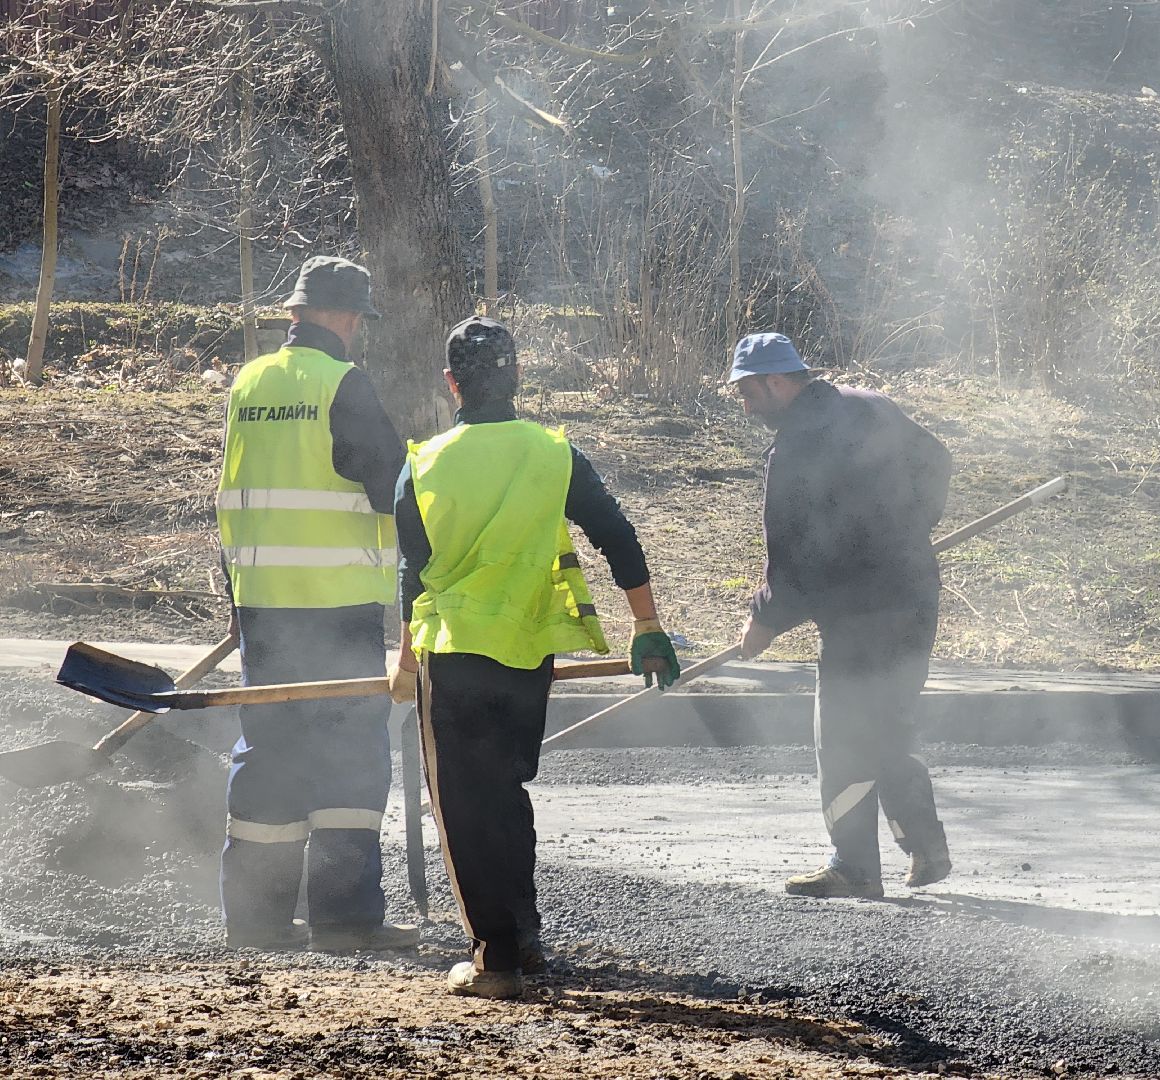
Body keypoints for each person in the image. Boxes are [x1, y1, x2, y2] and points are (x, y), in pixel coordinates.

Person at [390, 316, 681, 999]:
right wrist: (648, 625)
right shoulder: (555, 454)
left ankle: (493, 959)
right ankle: (524, 938)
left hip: (455, 653)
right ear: (517, 377)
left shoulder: (424, 462)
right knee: (506, 790)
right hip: (527, 653)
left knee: (463, 805)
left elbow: (412, 573)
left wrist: (406, 663)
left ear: (451, 384)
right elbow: (617, 534)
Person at [216, 255, 418, 951]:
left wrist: (238, 597)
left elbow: (236, 494)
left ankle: (257, 919)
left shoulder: (247, 383)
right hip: (336, 608)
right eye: (358, 316)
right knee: (347, 761)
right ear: (338, 315)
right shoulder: (342, 384)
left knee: (269, 756)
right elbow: (392, 486)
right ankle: (343, 920)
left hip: (262, 608)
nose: (359, 329)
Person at [730, 332, 953, 900]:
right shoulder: (873, 405)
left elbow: (791, 560)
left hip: (859, 616)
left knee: (844, 738)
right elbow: (937, 460)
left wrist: (763, 623)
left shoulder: (795, 448)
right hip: (915, 596)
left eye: (748, 392)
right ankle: (925, 844)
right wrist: (910, 530)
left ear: (777, 382)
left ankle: (855, 867)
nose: (746, 405)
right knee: (884, 726)